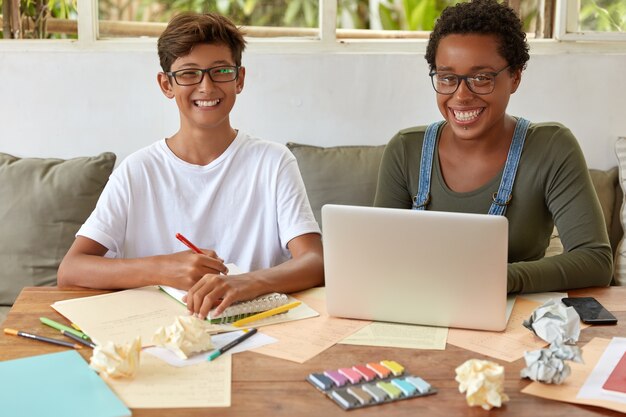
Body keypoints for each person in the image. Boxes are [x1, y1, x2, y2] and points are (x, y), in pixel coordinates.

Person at [58, 12, 324, 318]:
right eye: (188, 73)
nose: (206, 87)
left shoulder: (273, 162)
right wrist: (161, 267)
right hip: (160, 331)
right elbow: (71, 269)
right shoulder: (138, 171)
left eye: (220, 71)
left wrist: (244, 283)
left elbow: (314, 260)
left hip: (254, 327)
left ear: (239, 79)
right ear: (166, 84)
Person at [374, 0, 612, 293]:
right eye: (448, 78)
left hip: (513, 318)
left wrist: (500, 279)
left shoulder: (552, 147)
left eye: (481, 78)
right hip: (422, 308)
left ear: (514, 77)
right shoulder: (404, 150)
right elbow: (380, 257)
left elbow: (595, 261)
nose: (461, 95)